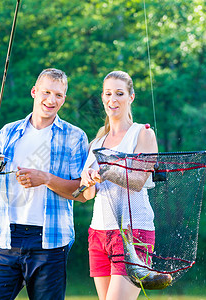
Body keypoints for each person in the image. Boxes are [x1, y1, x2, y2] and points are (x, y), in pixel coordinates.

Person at [0, 68, 88, 300]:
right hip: (5, 238)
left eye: (58, 95)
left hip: (50, 241)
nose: (51, 100)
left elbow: (82, 193)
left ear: (64, 99)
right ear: (34, 92)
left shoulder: (75, 137)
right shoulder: (8, 132)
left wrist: (45, 179)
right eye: (46, 92)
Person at [79, 71, 158, 300]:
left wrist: (106, 172)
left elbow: (138, 181)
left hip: (134, 233)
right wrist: (88, 181)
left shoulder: (142, 133)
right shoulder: (97, 142)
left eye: (120, 93)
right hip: (98, 234)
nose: (113, 99)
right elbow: (89, 193)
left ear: (131, 97)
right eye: (108, 94)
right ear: (103, 98)